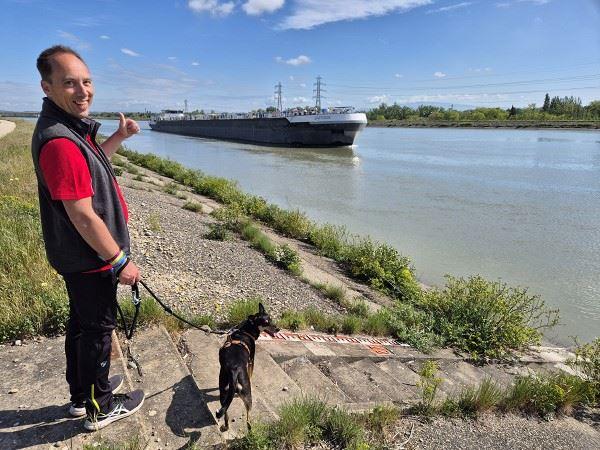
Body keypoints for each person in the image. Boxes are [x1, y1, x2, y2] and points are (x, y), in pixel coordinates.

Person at [31, 45, 144, 431]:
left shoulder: (68, 130)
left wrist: (118, 137)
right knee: (97, 330)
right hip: (90, 257)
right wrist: (119, 260)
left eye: (87, 81)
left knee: (82, 324)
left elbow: (91, 167)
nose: (83, 91)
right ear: (47, 87)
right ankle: (101, 407)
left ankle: (82, 396)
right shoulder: (60, 142)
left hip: (80, 255)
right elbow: (82, 214)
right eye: (70, 83)